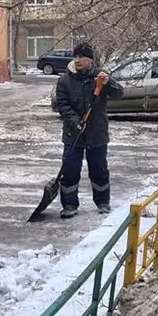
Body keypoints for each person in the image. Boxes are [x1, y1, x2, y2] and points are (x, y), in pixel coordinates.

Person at [54, 42, 124, 218]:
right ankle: (69, 204)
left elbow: (119, 93)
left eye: (81, 57)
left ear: (90, 60)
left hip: (97, 133)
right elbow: (62, 105)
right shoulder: (64, 81)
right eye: (75, 57)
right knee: (70, 170)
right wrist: (75, 121)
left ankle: (102, 202)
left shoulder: (100, 78)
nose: (77, 60)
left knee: (99, 169)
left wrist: (108, 83)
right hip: (73, 134)